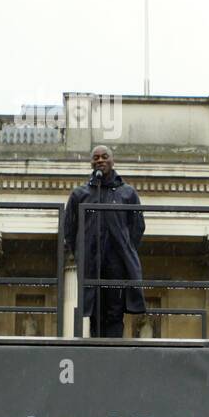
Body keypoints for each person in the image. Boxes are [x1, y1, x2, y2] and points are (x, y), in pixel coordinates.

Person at [63, 145, 145, 338]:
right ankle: (96, 354)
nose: (100, 160)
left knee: (115, 311)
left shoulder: (127, 193)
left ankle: (113, 355)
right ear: (91, 163)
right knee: (94, 312)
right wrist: (82, 252)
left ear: (112, 160)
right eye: (96, 157)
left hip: (116, 263)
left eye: (104, 156)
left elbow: (137, 227)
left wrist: (124, 248)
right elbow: (70, 229)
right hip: (92, 262)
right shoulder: (79, 194)